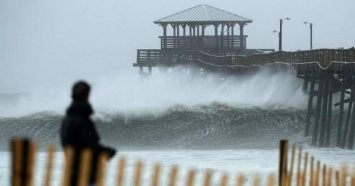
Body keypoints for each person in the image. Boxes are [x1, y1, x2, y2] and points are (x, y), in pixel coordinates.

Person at [60, 81, 116, 186]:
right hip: (85, 176)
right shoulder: (82, 120)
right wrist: (108, 152)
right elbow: (91, 146)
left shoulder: (66, 120)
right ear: (87, 95)